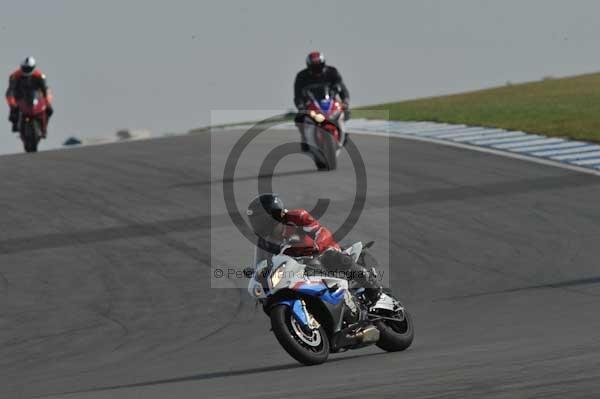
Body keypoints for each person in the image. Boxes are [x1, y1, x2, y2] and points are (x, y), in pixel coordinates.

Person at [247, 193, 381, 304]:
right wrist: (258, 275)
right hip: (297, 272)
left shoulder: (296, 218)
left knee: (330, 256)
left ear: (274, 215)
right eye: (254, 221)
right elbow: (263, 263)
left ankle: (373, 288)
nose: (257, 225)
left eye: (260, 220)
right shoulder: (264, 241)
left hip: (319, 256)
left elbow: (321, 232)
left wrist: (318, 246)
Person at [293, 51, 350, 151]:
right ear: (309, 66)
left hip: (329, 102)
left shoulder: (332, 72)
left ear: (323, 64)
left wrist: (345, 100)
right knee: (299, 118)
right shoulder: (302, 76)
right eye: (314, 68)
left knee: (345, 112)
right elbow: (297, 94)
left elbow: (341, 87)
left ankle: (344, 133)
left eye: (319, 67)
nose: (317, 70)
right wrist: (300, 106)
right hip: (311, 104)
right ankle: (305, 139)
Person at [5, 57, 54, 136]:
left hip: (36, 98)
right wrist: (12, 104)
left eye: (29, 68)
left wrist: (47, 103)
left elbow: (45, 89)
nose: (26, 70)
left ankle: (44, 128)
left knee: (49, 110)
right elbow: (10, 90)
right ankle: (15, 123)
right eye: (25, 68)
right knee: (13, 113)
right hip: (20, 97)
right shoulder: (14, 76)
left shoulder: (39, 76)